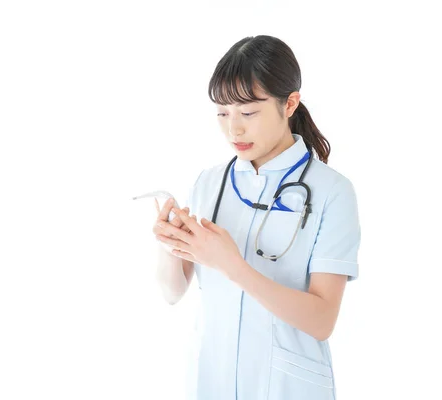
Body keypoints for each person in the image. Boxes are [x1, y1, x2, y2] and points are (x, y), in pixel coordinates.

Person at [151, 35, 361, 400]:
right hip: (210, 381)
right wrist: (169, 245)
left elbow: (322, 320)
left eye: (248, 113)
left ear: (289, 103)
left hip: (287, 387)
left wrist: (232, 266)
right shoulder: (209, 183)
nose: (234, 129)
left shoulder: (332, 192)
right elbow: (172, 293)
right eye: (222, 113)